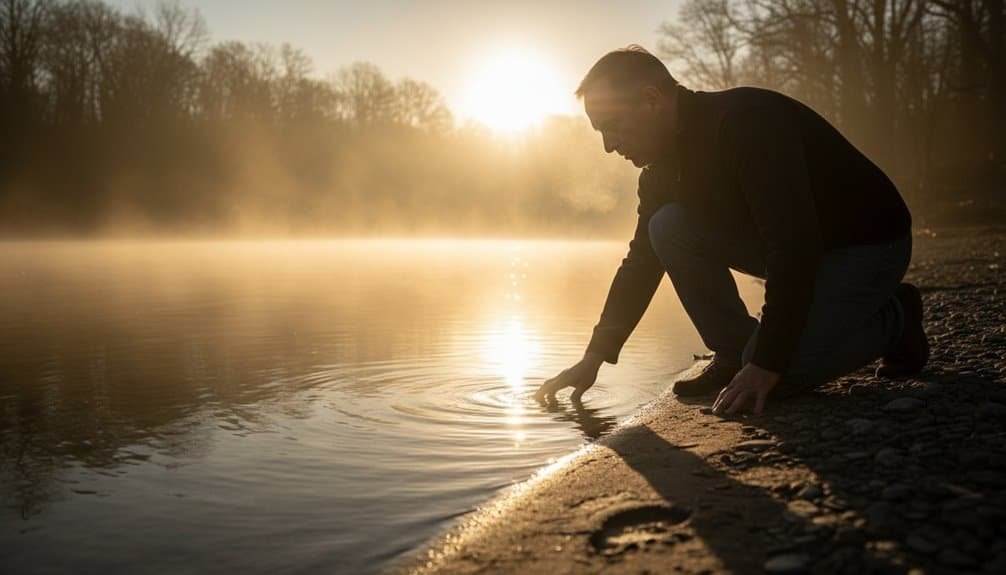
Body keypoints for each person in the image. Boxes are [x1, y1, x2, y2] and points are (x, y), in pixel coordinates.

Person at [533, 46, 929, 415]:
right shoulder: (658, 173)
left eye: (612, 126)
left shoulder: (745, 123)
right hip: (798, 248)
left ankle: (897, 316)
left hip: (867, 244)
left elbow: (792, 244)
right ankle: (732, 350)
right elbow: (640, 263)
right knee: (666, 226)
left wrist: (766, 363)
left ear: (651, 100)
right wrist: (594, 356)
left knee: (777, 377)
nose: (607, 146)